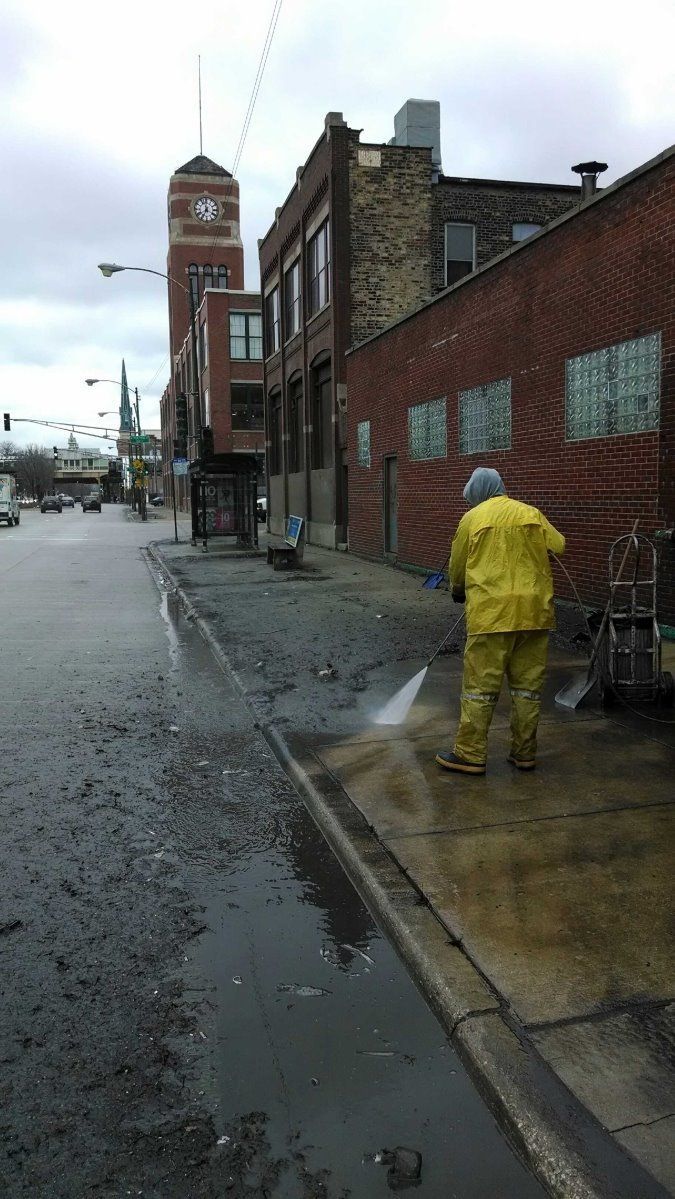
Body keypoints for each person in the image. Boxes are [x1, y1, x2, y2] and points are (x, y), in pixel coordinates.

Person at [436, 467, 565, 776]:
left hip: (491, 617)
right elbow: (559, 545)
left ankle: (470, 754)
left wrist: (457, 590)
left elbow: (458, 563)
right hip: (534, 614)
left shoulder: (473, 518)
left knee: (480, 688)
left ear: (478, 493)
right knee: (527, 689)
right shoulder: (531, 513)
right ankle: (524, 753)